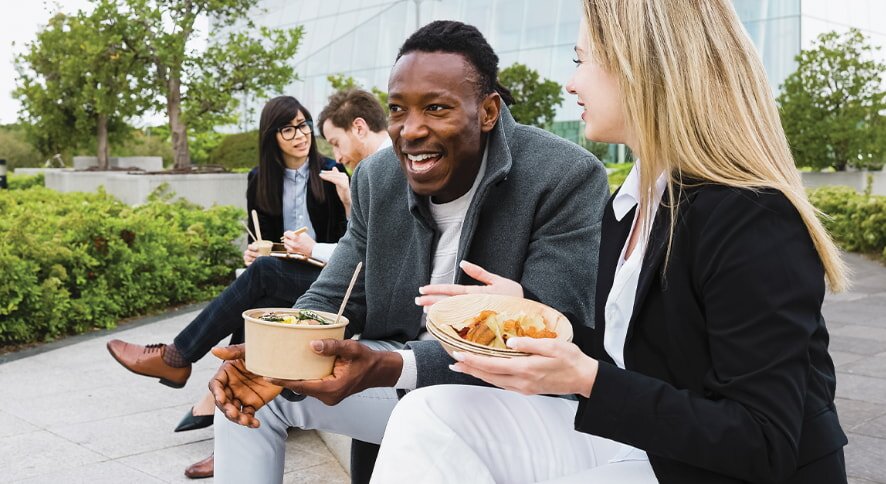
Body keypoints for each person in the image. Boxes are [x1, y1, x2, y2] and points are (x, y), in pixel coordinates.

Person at [369, 2, 850, 483]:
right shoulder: (633, 203)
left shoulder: (750, 215)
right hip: (651, 446)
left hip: (722, 469)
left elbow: (763, 443)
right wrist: (527, 312)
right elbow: (639, 354)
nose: (571, 83)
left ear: (645, 68)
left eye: (582, 60)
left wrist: (587, 380)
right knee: (428, 412)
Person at [207, 20, 610, 483]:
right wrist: (280, 353)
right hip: (394, 373)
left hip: (509, 399)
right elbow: (336, 291)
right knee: (246, 390)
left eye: (436, 108)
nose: (410, 131)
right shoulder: (377, 178)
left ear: (488, 111)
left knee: (424, 408)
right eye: (398, 110)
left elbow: (551, 330)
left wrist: (394, 365)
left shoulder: (565, 174)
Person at [105, 94, 376, 478]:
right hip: (283, 270)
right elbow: (262, 237)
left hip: (325, 278)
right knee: (258, 291)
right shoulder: (259, 178)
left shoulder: (333, 172)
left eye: (304, 126)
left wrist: (345, 201)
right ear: (272, 136)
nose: (300, 136)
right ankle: (223, 430)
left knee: (263, 280)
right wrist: (257, 252)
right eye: (288, 128)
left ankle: (176, 359)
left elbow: (351, 244)